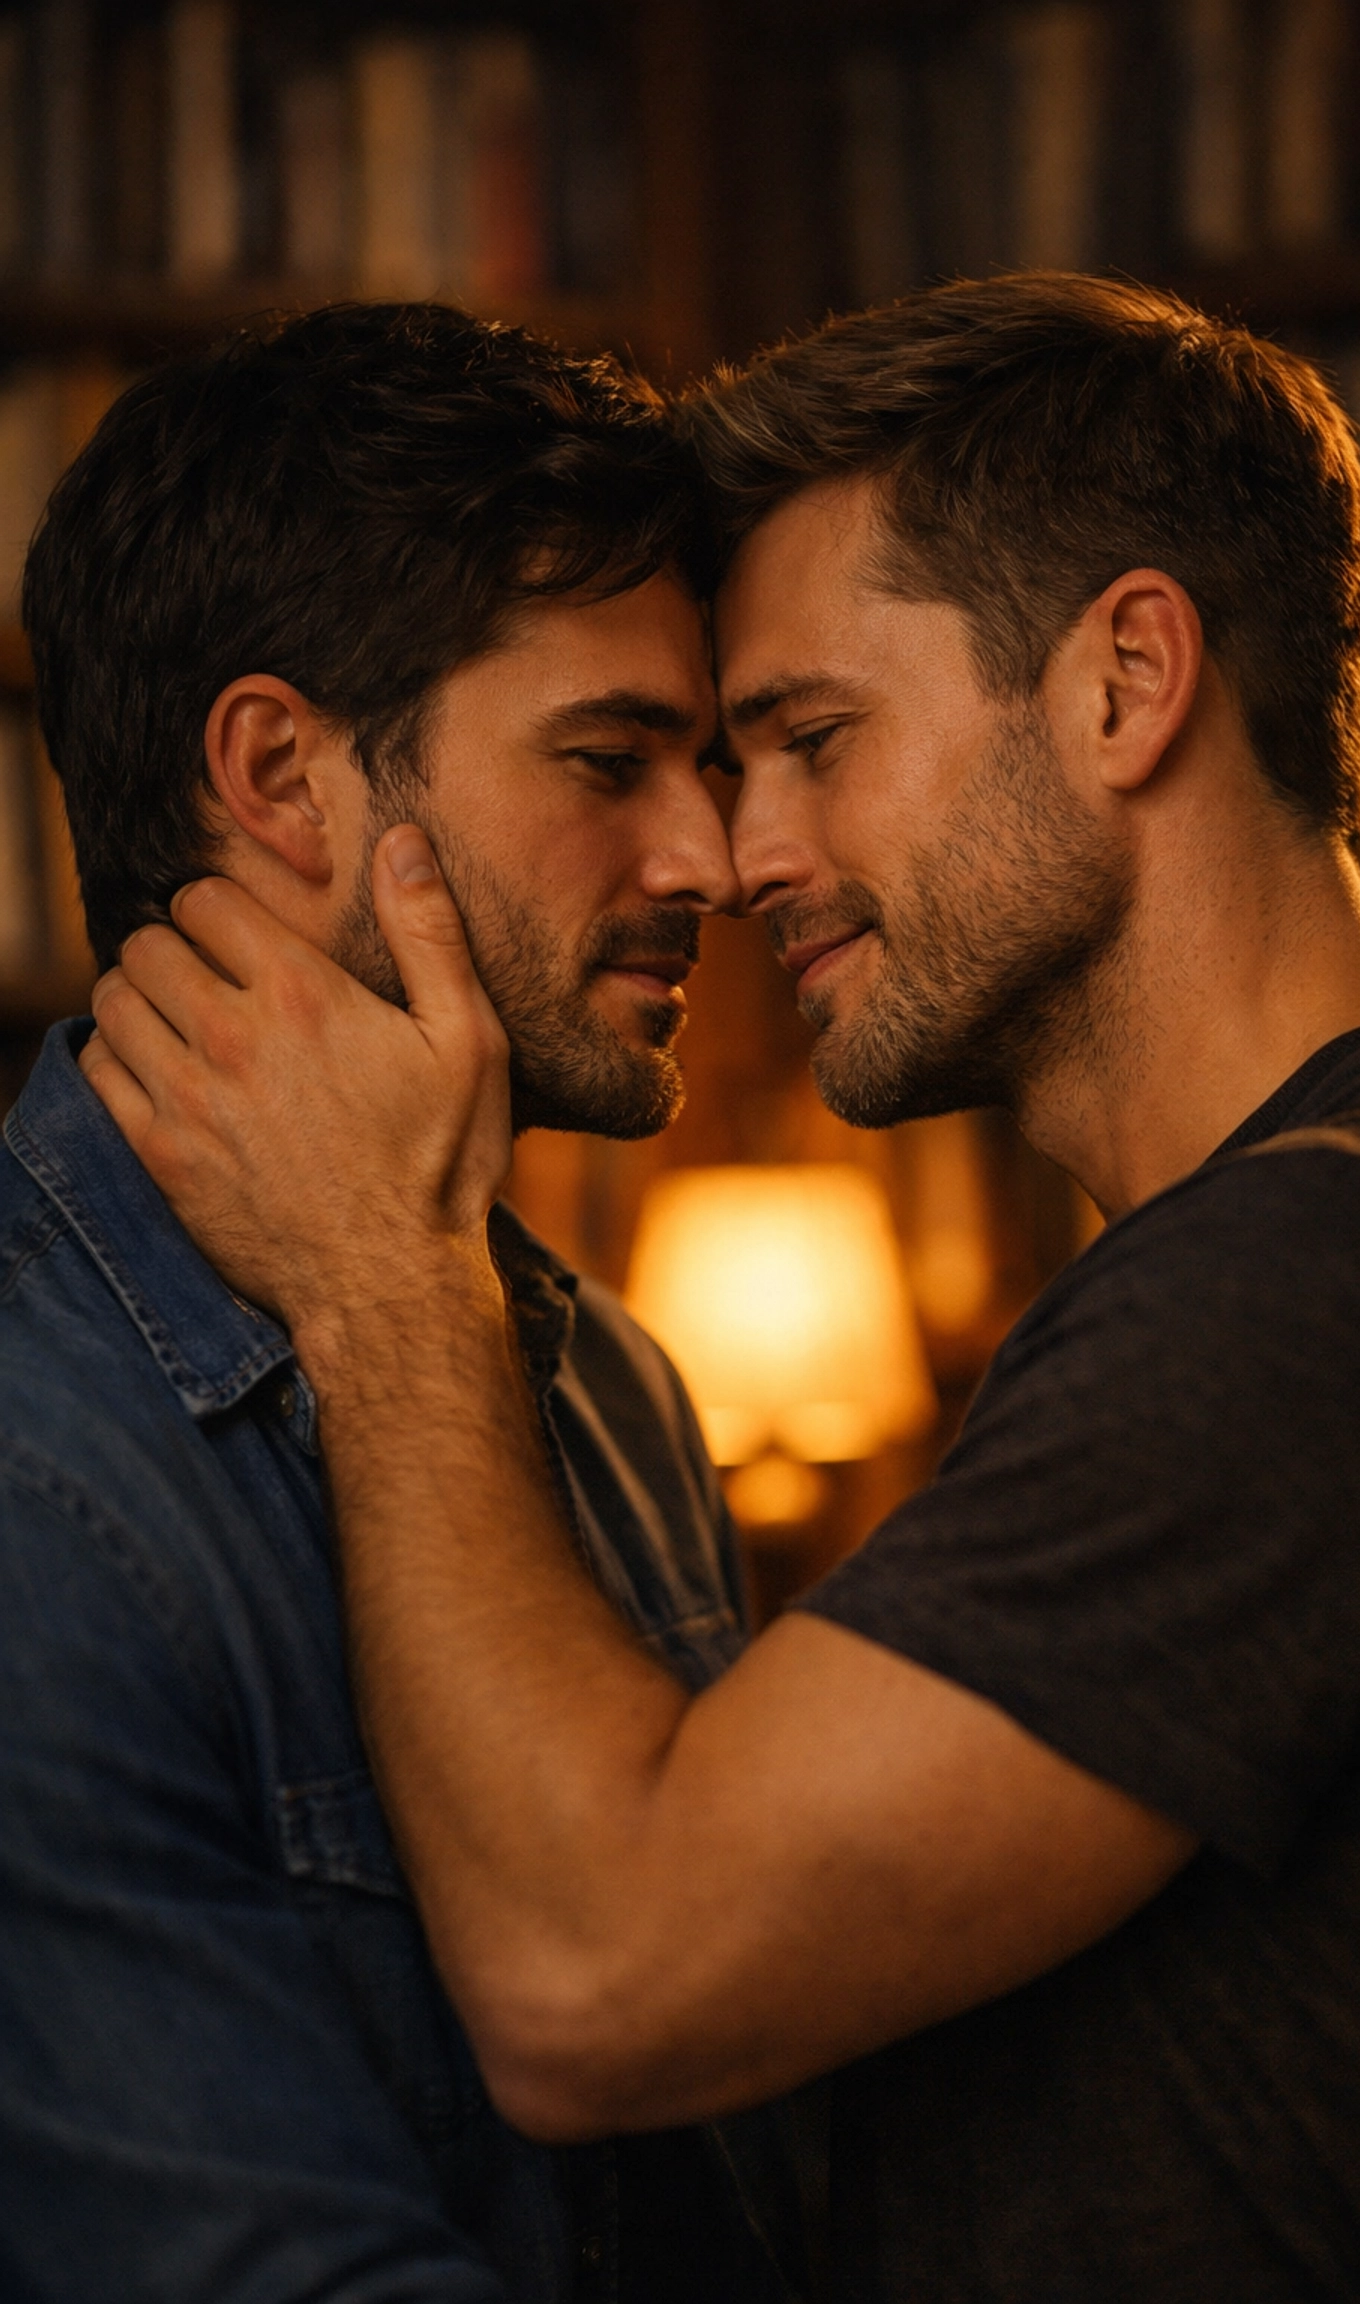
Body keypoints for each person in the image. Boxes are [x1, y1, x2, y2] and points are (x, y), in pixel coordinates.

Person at [86, 275, 1360, 2303]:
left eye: (807, 740)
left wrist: (385, 1282)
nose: (739, 855)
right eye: (651, 758)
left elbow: (606, 1974)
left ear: (1126, 683)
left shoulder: (1335, 1269)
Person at [0, 301, 804, 2303]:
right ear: (280, 772)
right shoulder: (29, 1480)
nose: (713, 854)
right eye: (610, 761)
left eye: (707, 763)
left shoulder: (605, 1377)